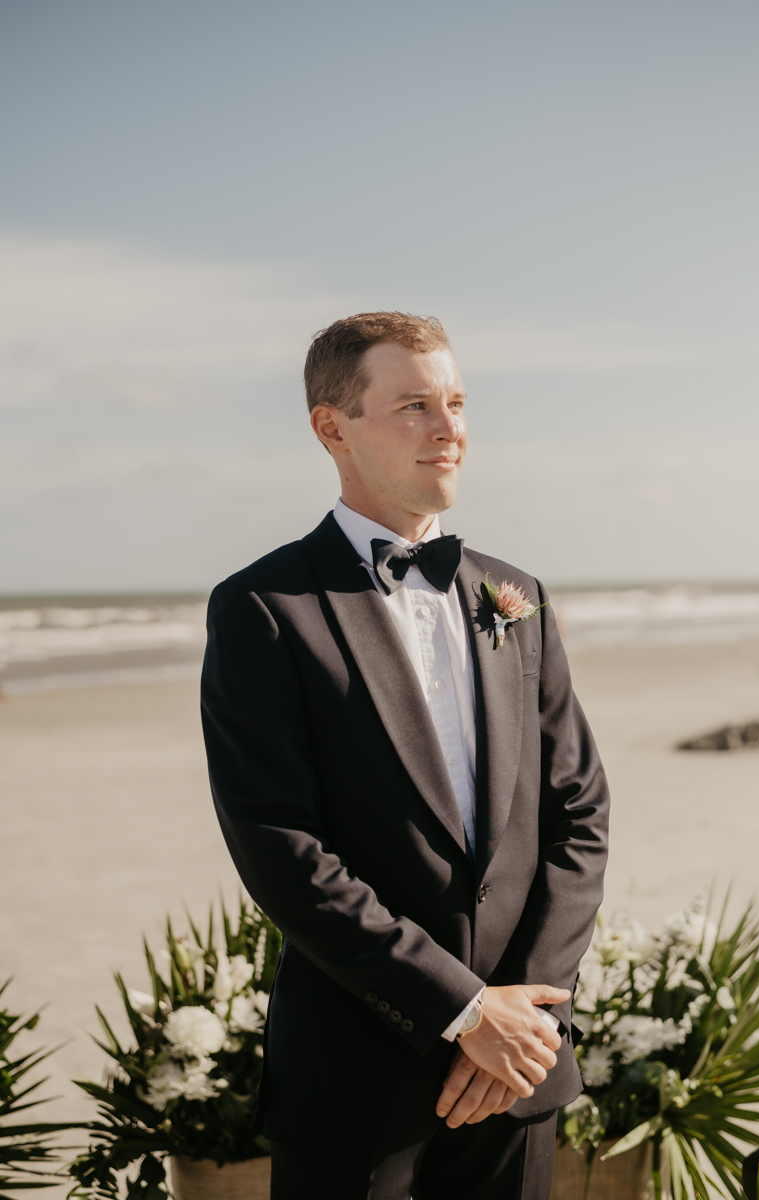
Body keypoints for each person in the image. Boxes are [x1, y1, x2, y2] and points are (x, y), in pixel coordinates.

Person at [201, 311, 609, 1199]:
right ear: (332, 427)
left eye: (457, 403)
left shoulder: (517, 596)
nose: (449, 428)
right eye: (415, 405)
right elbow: (281, 846)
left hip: (518, 1075)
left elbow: (579, 814)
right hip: (358, 1078)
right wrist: (463, 1012)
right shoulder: (264, 610)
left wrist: (522, 1019)